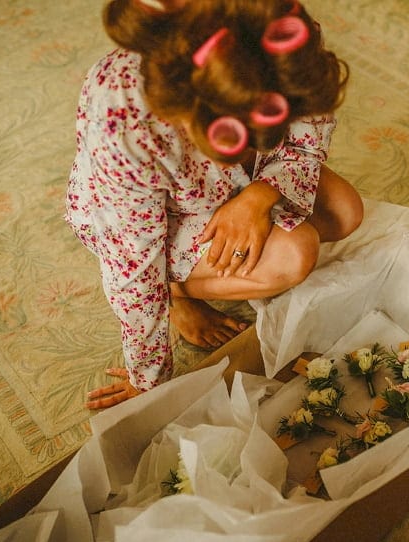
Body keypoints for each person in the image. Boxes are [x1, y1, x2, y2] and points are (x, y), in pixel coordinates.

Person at [65, 0, 363, 409]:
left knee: (345, 211)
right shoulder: (123, 119)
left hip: (254, 179)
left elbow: (306, 139)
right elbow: (131, 262)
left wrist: (259, 196)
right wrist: (146, 379)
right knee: (295, 253)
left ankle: (216, 250)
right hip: (152, 220)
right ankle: (177, 296)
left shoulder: (277, 26)